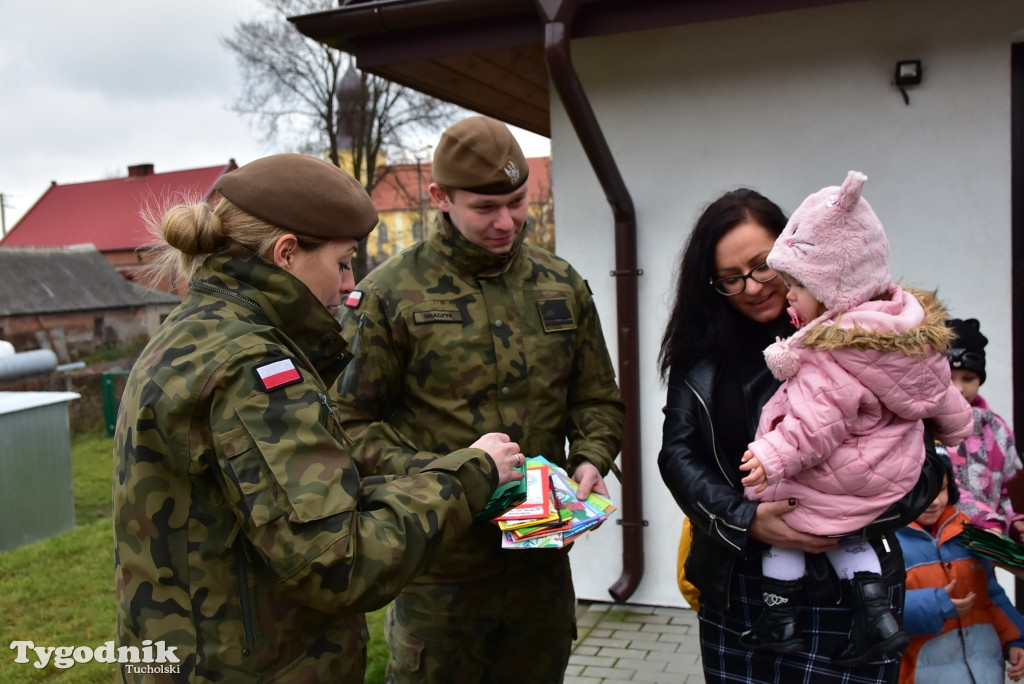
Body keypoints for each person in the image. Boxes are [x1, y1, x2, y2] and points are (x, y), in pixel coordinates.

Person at [112, 154, 526, 683]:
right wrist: (471, 474)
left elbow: (285, 509)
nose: (349, 286)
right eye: (343, 262)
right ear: (287, 253)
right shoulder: (254, 368)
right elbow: (339, 562)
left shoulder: (194, 332)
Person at [334, 115, 624, 682]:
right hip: (440, 569)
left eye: (517, 202)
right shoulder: (390, 295)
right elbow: (347, 423)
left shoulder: (561, 284)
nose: (506, 222)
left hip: (541, 566)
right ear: (440, 197)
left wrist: (591, 457)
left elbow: (597, 397)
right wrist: (451, 474)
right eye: (485, 208)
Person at [657, 183, 951, 683]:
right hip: (742, 582)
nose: (752, 287)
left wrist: (848, 516)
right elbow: (678, 455)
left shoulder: (873, 339)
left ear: (795, 251)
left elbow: (926, 465)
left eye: (761, 265)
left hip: (857, 591)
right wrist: (745, 518)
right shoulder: (702, 356)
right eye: (730, 279)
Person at [736, 171, 973, 664]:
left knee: (783, 507)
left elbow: (815, 422)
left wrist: (771, 454)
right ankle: (877, 619)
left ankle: (778, 621)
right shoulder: (906, 330)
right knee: (848, 527)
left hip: (846, 474)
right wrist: (959, 430)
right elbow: (941, 395)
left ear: (833, 285)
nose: (790, 297)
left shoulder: (832, 352)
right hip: (891, 473)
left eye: (798, 286)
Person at [896, 453, 1024, 683]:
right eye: (922, 491)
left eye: (941, 489)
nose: (934, 501)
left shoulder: (966, 533)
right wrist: (936, 604)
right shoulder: (887, 545)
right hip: (923, 673)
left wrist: (1017, 640)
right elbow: (881, 609)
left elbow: (991, 596)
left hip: (986, 671)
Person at [944, 318, 1024, 541]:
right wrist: (986, 522)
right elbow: (948, 491)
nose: (959, 388)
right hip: (943, 546)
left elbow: (1009, 492)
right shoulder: (926, 428)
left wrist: (1015, 524)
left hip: (990, 543)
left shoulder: (997, 429)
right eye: (949, 379)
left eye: (968, 378)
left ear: (980, 379)